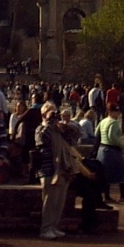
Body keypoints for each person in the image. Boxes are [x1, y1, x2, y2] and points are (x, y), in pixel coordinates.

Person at [35, 102, 81, 239]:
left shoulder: (59, 130)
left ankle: (54, 226)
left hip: (62, 169)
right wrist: (49, 123)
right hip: (48, 170)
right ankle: (46, 228)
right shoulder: (40, 129)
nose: (54, 115)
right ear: (43, 114)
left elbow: (74, 139)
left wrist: (68, 127)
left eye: (55, 112)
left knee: (59, 201)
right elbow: (42, 140)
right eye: (51, 112)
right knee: (49, 201)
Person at [96, 106, 124, 204]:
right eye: (116, 111)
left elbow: (96, 133)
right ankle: (123, 196)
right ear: (111, 112)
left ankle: (107, 196)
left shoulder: (103, 121)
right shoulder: (114, 122)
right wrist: (122, 145)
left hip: (102, 149)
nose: (118, 113)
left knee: (105, 173)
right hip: (112, 150)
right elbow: (111, 136)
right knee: (123, 171)